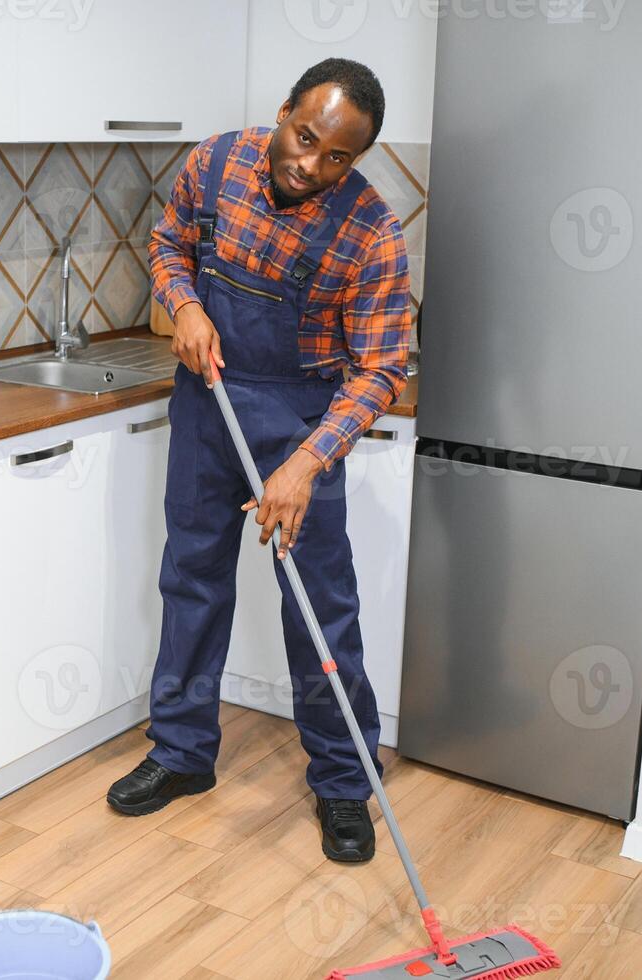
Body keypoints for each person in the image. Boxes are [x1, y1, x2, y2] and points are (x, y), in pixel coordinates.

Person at [105, 58, 414, 863]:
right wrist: (185, 305)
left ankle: (345, 784)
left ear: (357, 160)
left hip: (298, 422)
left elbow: (380, 369)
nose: (309, 165)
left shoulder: (372, 233)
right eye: (303, 137)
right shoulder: (216, 161)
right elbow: (169, 242)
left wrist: (306, 463)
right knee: (192, 578)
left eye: (336, 156)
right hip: (206, 400)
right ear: (283, 112)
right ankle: (179, 753)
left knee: (318, 607)